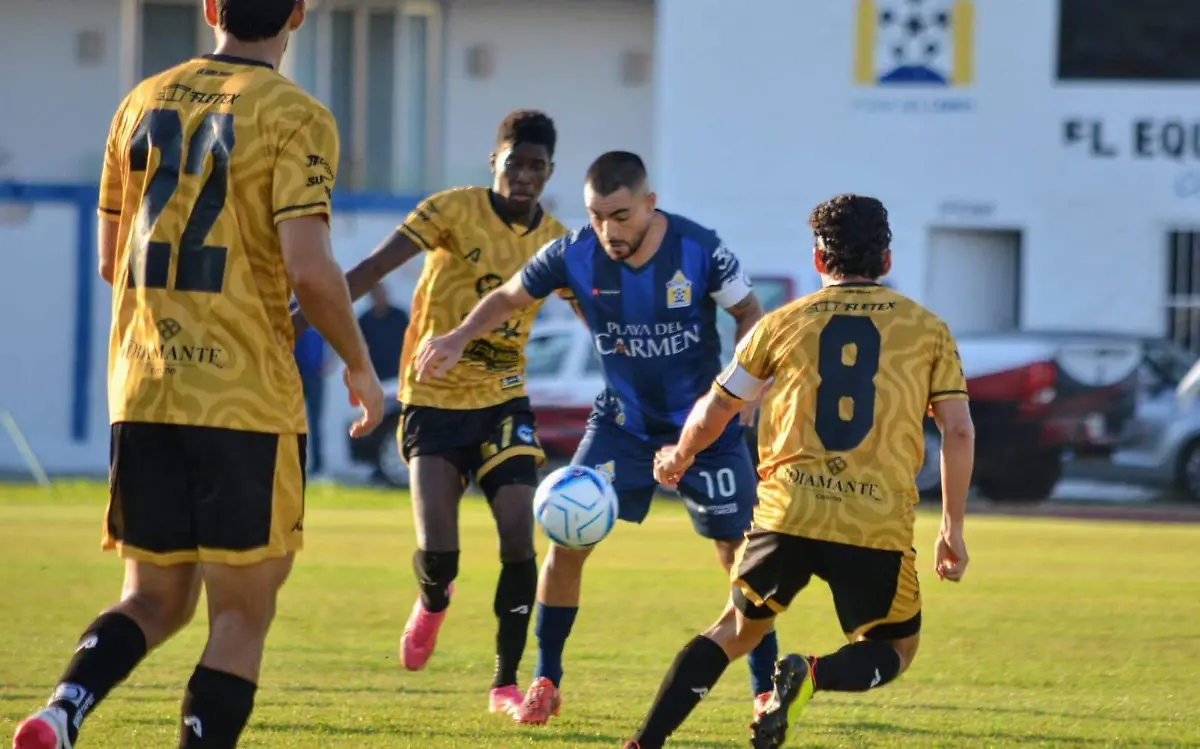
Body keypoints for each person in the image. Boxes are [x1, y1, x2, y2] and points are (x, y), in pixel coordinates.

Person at [12, 2, 384, 747]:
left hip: (146, 384)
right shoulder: (295, 113)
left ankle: (62, 708)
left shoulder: (140, 101)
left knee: (153, 598)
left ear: (210, 9)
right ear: (299, 15)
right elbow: (309, 269)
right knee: (240, 614)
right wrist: (361, 364)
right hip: (243, 396)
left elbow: (109, 261)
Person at [415, 151, 780, 726]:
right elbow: (510, 295)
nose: (608, 230)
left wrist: (747, 391)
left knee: (740, 558)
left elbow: (752, 314)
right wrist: (459, 336)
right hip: (622, 425)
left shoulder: (699, 247)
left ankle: (765, 691)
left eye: (620, 215)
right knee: (566, 540)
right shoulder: (572, 253)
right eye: (596, 215)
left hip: (704, 426)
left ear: (649, 203)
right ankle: (545, 679)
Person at [622, 194, 975, 749]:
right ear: (886, 261)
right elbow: (957, 430)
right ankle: (813, 675)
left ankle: (643, 743)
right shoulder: (928, 330)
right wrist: (951, 528)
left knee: (736, 629)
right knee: (893, 649)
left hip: (789, 510)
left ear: (818, 261)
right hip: (873, 520)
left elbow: (719, 406)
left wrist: (680, 455)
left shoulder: (781, 322)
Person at [294, 110, 567, 716]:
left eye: (537, 167)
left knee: (520, 537)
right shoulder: (450, 210)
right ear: (493, 162)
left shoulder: (556, 239)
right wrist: (295, 320)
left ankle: (504, 683)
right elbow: (368, 271)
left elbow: (600, 307)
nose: (524, 176)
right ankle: (433, 601)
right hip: (432, 400)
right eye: (514, 162)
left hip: (503, 400)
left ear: (550, 172)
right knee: (440, 555)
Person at [294, 327, 329, 475]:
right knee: (294, 420)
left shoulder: (319, 314)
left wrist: (328, 365)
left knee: (315, 422)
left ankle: (317, 464)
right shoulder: (291, 309)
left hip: (315, 376)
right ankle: (295, 461)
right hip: (295, 375)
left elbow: (333, 340)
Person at [358, 284, 409, 380]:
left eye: (383, 295)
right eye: (377, 295)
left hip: (399, 372)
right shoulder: (364, 320)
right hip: (376, 375)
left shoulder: (399, 316)